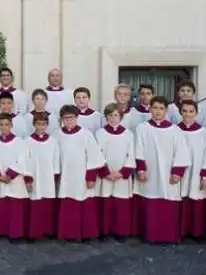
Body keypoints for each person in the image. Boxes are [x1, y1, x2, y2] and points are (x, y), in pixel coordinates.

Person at [132, 96, 189, 244]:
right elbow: (139, 149)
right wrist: (141, 169)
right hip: (149, 172)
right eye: (155, 108)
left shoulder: (174, 130)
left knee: (168, 200)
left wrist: (177, 172)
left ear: (166, 110)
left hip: (169, 172)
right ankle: (149, 235)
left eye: (161, 108)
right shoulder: (142, 128)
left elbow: (181, 152)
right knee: (149, 200)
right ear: (150, 109)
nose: (158, 111)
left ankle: (168, 235)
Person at [55, 105, 105, 241]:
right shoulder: (57, 134)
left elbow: (94, 157)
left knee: (84, 202)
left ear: (77, 118)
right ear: (61, 119)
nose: (68, 120)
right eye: (65, 118)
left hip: (82, 176)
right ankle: (67, 233)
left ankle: (85, 233)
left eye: (71, 117)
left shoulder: (86, 134)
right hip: (65, 175)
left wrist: (91, 177)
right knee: (67, 202)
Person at [176, 100, 206, 240]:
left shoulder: (204, 133)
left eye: (191, 111)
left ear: (196, 113)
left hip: (197, 171)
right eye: (184, 111)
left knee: (197, 199)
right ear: (180, 112)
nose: (187, 114)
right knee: (181, 199)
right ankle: (180, 230)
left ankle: (197, 232)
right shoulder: (173, 131)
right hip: (178, 173)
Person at [96, 103, 135, 239]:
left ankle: (121, 231)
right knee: (106, 202)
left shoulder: (128, 134)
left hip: (121, 174)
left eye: (116, 115)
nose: (113, 118)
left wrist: (122, 172)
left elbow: (132, 154)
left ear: (121, 117)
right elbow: (97, 153)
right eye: (110, 115)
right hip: (106, 173)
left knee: (121, 204)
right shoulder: (100, 133)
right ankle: (105, 230)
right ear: (106, 117)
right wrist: (105, 172)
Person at [0, 113, 31, 241]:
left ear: (11, 125)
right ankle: (0, 230)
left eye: (7, 124)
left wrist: (10, 175)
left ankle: (15, 232)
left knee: (14, 206)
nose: (4, 127)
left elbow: (22, 160)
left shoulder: (19, 142)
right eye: (1, 125)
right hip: (0, 178)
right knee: (1, 205)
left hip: (15, 179)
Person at [26, 111, 60, 240]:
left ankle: (48, 230)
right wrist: (28, 178)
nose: (41, 127)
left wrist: (55, 176)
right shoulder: (28, 141)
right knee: (35, 203)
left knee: (48, 203)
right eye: (38, 124)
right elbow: (25, 160)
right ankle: (34, 232)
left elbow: (56, 159)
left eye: (44, 124)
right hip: (34, 176)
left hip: (48, 177)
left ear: (47, 125)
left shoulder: (53, 141)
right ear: (34, 125)